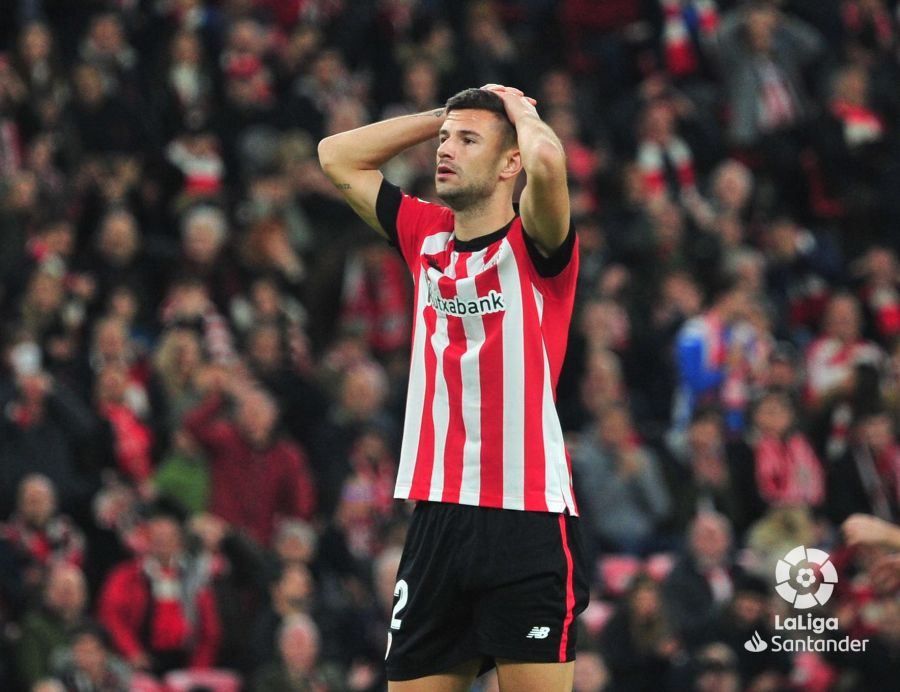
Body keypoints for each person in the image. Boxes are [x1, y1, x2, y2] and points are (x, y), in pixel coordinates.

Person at [318, 84, 588, 691]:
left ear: (508, 163)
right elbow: (336, 156)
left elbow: (548, 161)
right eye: (445, 141)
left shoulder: (537, 245)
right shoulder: (425, 236)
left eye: (468, 141)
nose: (447, 150)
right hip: (438, 516)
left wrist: (518, 110)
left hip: (527, 517)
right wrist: (443, 116)